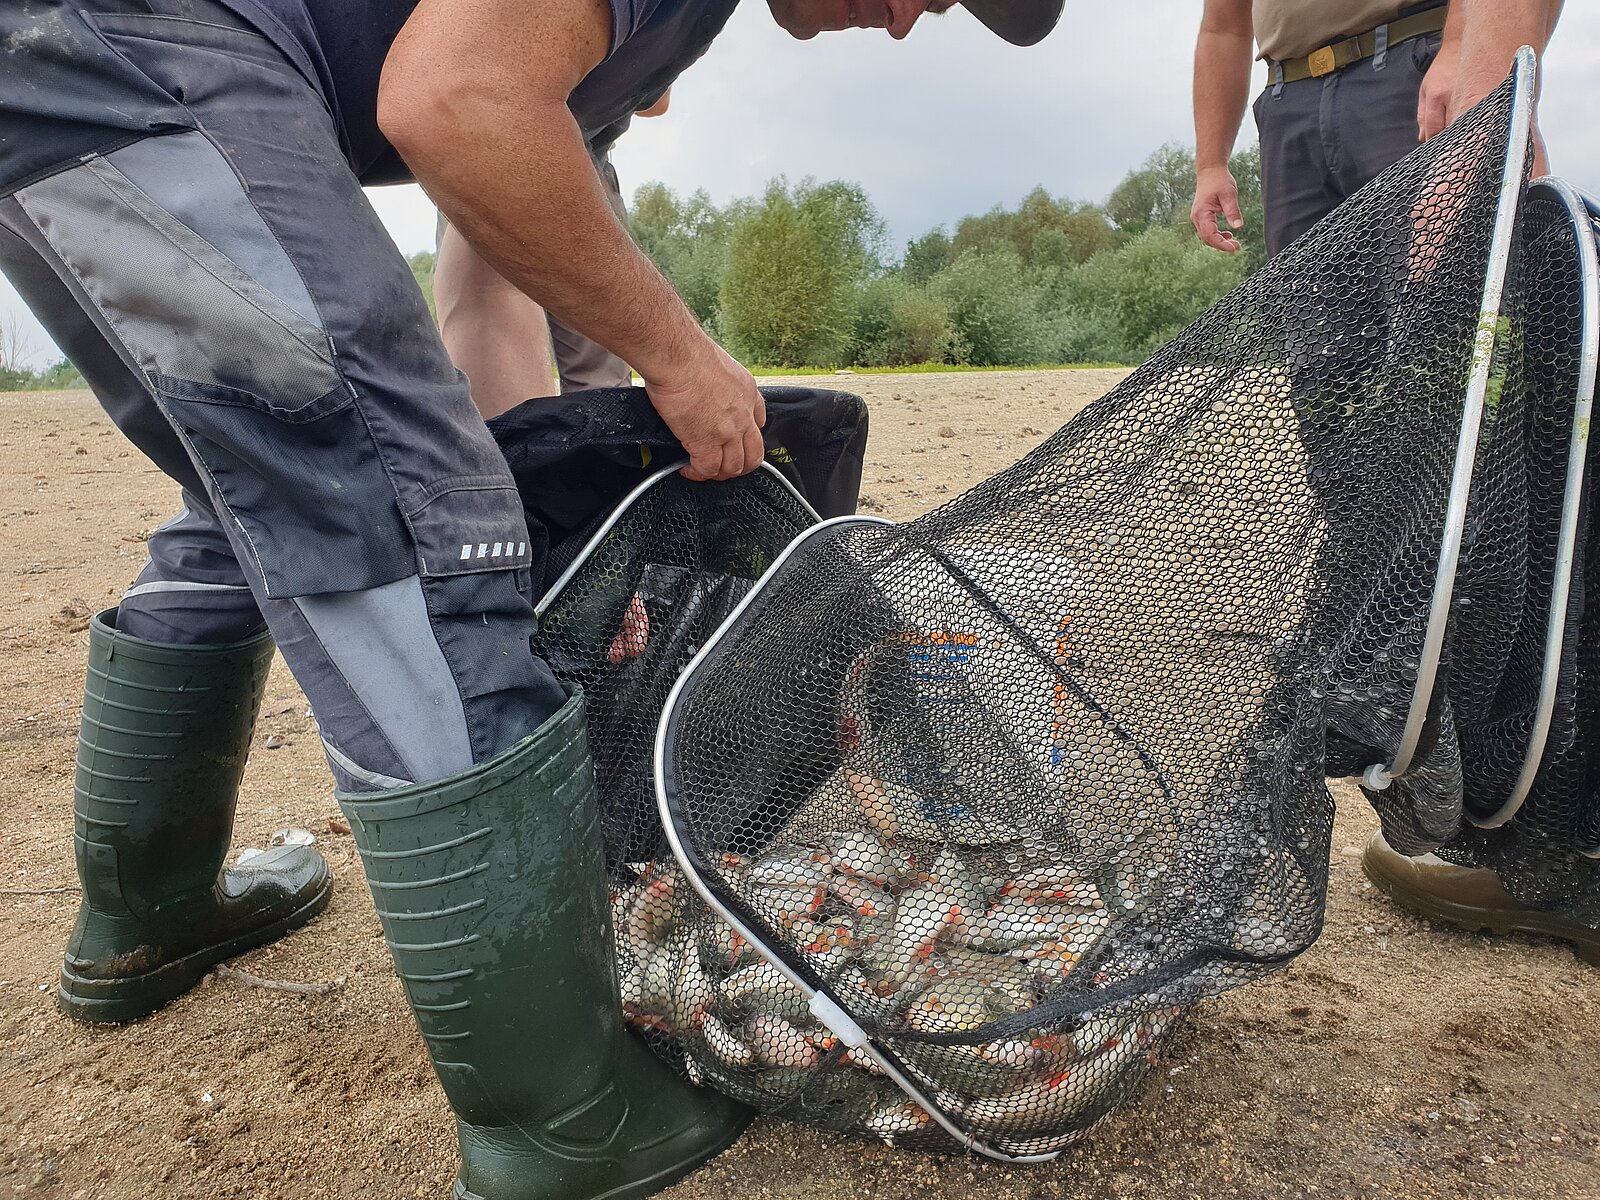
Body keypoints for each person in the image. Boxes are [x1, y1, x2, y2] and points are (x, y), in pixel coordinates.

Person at [0, 0, 1065, 1197]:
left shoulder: (633, 40)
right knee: (387, 500)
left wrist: (543, 555)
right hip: (139, 46)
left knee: (262, 476)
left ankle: (148, 909)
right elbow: (455, 104)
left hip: (60, 70)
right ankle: (559, 1113)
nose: (913, 22)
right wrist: (677, 357)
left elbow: (488, 267)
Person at [1189, 1, 1592, 965]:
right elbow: (1223, 24)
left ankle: (1550, 823)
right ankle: (1454, 782)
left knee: (1477, 460)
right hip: (1292, 113)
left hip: (1412, 73)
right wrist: (1210, 160)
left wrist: (1478, 72)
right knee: (1352, 469)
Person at [436, 92, 673, 416]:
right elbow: (656, 103)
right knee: (600, 381)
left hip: (475, 159)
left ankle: (511, 449)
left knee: (495, 343)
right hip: (582, 169)